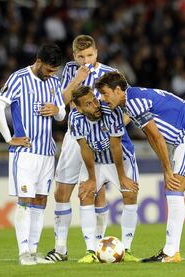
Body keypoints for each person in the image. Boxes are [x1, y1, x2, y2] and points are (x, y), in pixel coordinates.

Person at [45, 35, 138, 262]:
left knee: (97, 192)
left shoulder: (110, 73)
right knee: (62, 191)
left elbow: (129, 105)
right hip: (76, 136)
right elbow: (60, 106)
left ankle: (97, 247)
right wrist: (77, 80)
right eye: (80, 56)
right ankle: (60, 249)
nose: (85, 60)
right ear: (74, 55)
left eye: (89, 55)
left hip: (104, 139)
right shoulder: (69, 71)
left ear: (96, 52)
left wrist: (113, 127)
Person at [95, 71, 185, 263]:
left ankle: (171, 252)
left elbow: (158, 137)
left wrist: (168, 169)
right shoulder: (133, 100)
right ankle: (175, 251)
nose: (103, 98)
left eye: (105, 93)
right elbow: (152, 137)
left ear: (118, 90)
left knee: (174, 189)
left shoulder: (133, 101)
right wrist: (165, 167)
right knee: (177, 190)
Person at [0, 42, 66, 265]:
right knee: (25, 200)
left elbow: (62, 114)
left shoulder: (53, 81)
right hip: (25, 152)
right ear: (39, 61)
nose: (52, 74)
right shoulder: (19, 78)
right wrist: (8, 138)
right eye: (49, 69)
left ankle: (33, 252)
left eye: (55, 70)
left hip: (47, 152)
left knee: (40, 201)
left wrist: (57, 110)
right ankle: (23, 252)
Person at [70, 86, 139, 263]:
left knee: (130, 195)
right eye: (88, 104)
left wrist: (122, 176)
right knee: (85, 195)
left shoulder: (110, 110)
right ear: (79, 108)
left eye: (94, 99)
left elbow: (116, 146)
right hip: (96, 162)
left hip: (120, 160)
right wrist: (92, 179)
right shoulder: (75, 118)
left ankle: (127, 249)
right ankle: (91, 251)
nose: (95, 104)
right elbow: (84, 148)